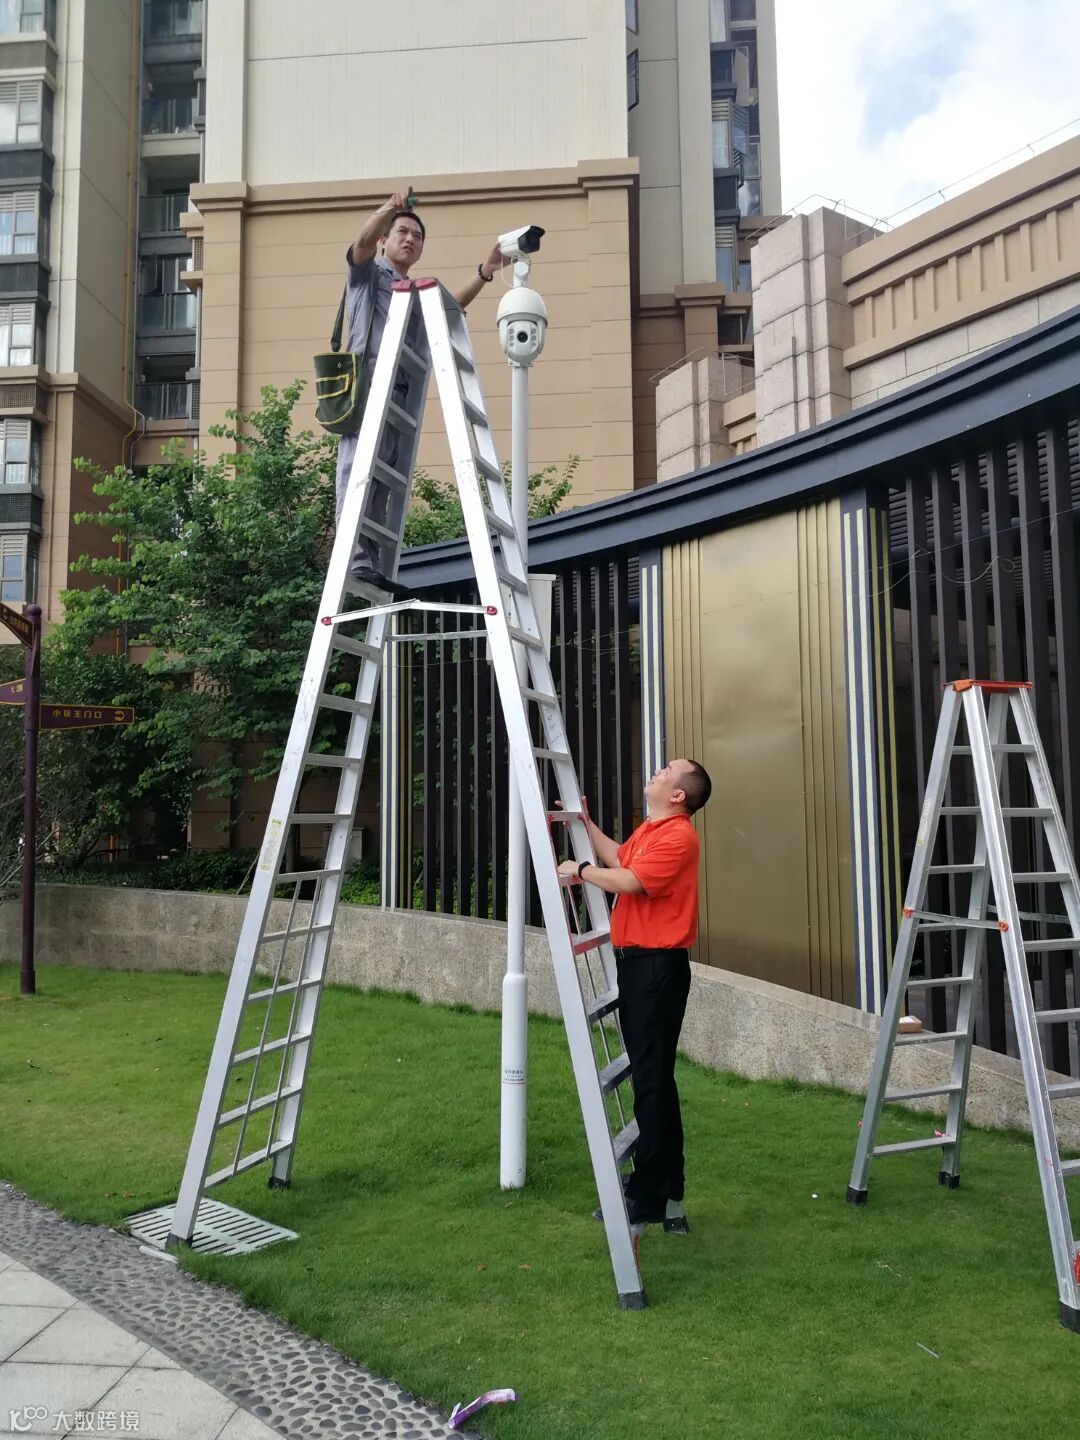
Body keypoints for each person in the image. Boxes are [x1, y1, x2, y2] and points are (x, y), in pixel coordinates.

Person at [557, 757, 713, 1226]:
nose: (656, 771)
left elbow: (631, 881)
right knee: (654, 1079)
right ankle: (666, 1188)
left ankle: (649, 1196)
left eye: (666, 771)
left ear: (678, 795)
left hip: (655, 970)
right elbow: (621, 858)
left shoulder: (678, 837)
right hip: (642, 968)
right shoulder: (653, 829)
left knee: (652, 1082)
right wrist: (586, 826)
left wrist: (580, 870)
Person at [336, 188, 510, 594]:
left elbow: (449, 309)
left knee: (383, 479)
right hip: (367, 388)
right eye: (402, 231)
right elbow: (360, 243)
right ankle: (353, 558)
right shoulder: (368, 275)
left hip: (400, 396)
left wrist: (486, 271)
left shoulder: (414, 290)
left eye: (417, 236)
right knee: (357, 469)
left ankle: (370, 561)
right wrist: (389, 208)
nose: (410, 239)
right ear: (385, 239)